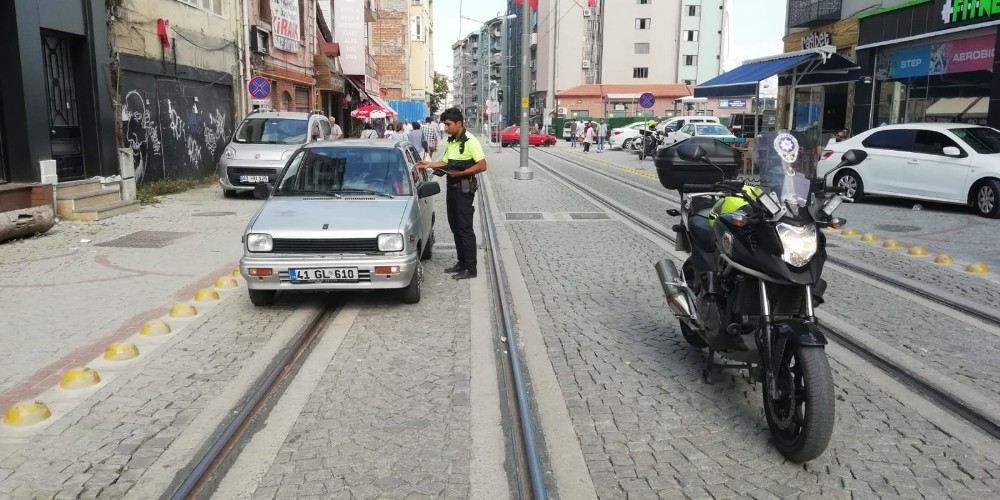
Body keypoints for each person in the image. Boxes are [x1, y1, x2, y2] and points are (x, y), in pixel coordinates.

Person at [416, 107, 487, 280]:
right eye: (445, 124)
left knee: (465, 229)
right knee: (455, 227)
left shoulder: (471, 141)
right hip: (452, 187)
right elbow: (445, 161)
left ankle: (471, 268)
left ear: (459, 123)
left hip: (464, 189)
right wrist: (428, 165)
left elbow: (482, 165)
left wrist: (461, 173)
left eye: (448, 124)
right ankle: (462, 263)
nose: (445, 128)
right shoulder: (452, 141)